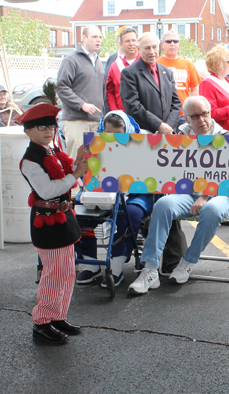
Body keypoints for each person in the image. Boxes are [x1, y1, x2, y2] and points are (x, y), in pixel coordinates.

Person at [128, 96, 229, 294]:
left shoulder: (226, 136)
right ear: (186, 119)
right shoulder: (179, 135)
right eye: (195, 116)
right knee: (163, 204)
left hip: (219, 194)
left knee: (211, 210)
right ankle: (150, 269)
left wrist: (204, 196)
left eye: (205, 114)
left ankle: (188, 261)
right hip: (187, 192)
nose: (202, 120)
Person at [76, 110, 186, 286]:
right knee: (79, 211)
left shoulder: (145, 141)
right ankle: (90, 264)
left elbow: (157, 175)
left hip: (138, 193)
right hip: (102, 192)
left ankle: (116, 266)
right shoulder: (94, 143)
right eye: (108, 133)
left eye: (118, 134)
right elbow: (85, 177)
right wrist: (82, 162)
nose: (112, 138)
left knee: (130, 213)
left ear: (127, 130)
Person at [19, 103, 88, 342]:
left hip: (62, 218)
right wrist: (76, 173)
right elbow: (48, 190)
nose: (49, 130)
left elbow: (65, 180)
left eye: (51, 125)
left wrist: (77, 163)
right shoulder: (30, 159)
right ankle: (42, 322)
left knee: (67, 272)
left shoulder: (52, 151)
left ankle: (57, 316)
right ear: (28, 131)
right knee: (53, 274)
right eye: (41, 126)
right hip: (47, 221)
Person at [56, 25, 104, 159]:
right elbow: (61, 87)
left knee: (95, 166)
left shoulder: (98, 61)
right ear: (83, 38)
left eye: (100, 37)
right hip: (75, 122)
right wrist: (82, 104)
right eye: (94, 36)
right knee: (77, 165)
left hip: (96, 122)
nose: (98, 40)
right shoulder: (71, 59)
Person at [120, 32, 181, 134]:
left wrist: (168, 127)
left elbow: (176, 102)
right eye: (147, 48)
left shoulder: (167, 72)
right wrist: (159, 125)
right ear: (139, 49)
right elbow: (133, 105)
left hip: (168, 134)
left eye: (154, 47)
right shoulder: (129, 73)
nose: (152, 51)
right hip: (144, 134)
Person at [157, 30, 202, 126]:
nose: (172, 44)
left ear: (179, 44)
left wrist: (193, 109)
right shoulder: (156, 64)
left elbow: (195, 88)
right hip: (162, 115)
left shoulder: (188, 64)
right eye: (168, 41)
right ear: (162, 44)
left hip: (184, 115)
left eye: (175, 41)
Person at [106, 27, 140, 112]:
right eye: (127, 41)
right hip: (122, 116)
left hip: (144, 117)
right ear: (121, 44)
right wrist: (115, 111)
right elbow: (110, 91)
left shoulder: (146, 64)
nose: (131, 44)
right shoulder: (115, 66)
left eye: (134, 40)